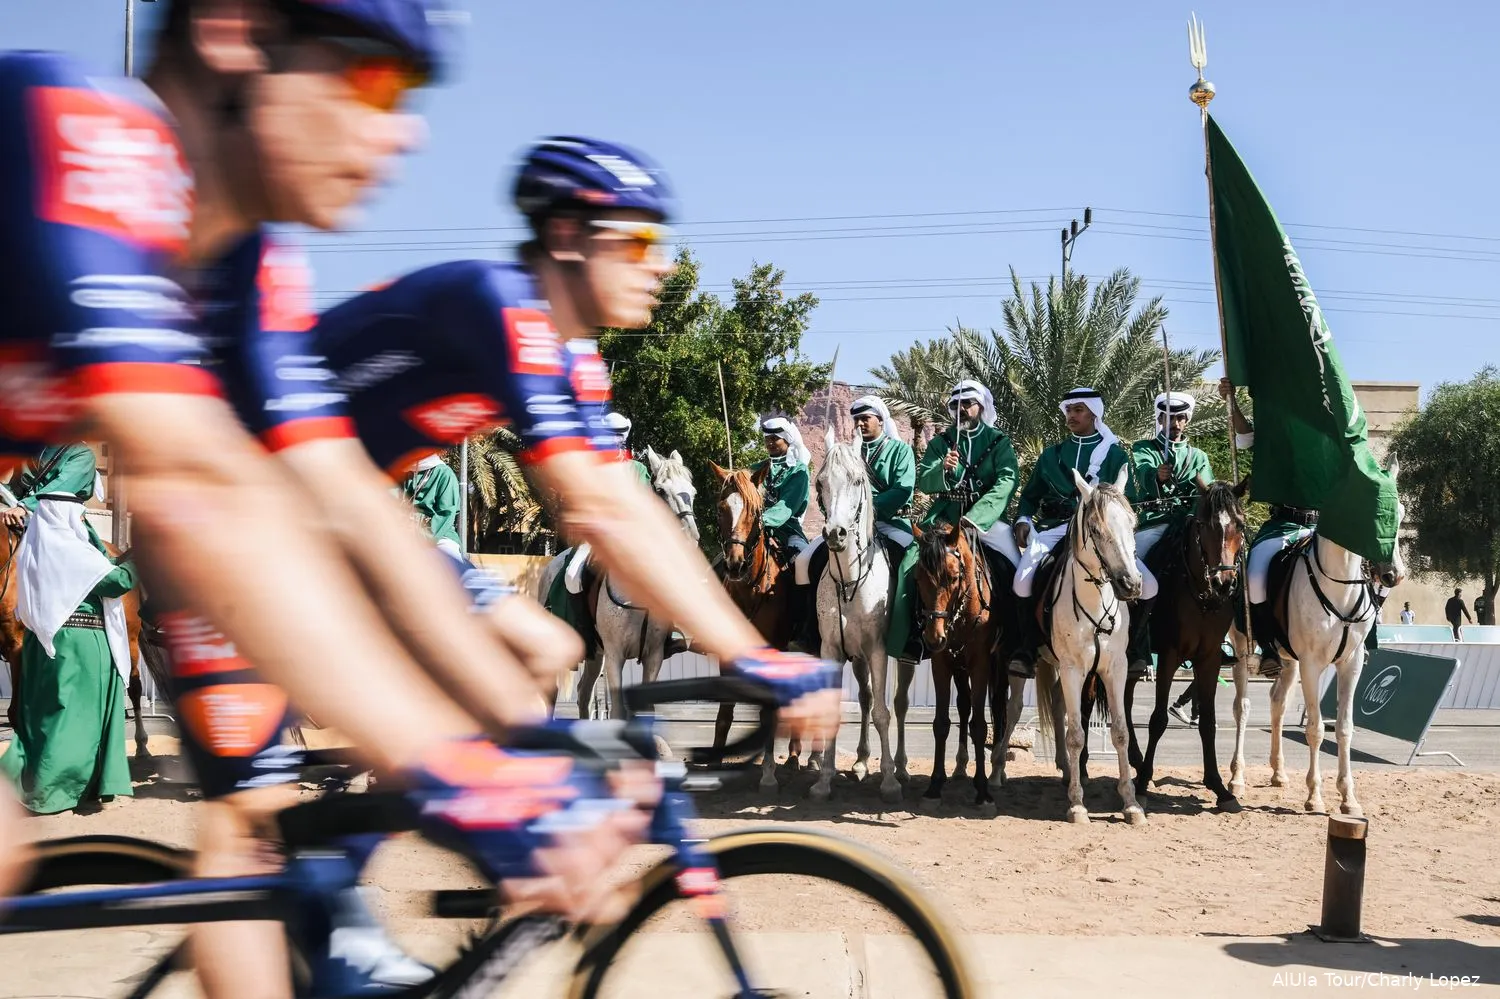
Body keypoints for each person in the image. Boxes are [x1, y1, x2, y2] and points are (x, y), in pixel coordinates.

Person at [0, 8, 833, 997]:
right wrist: (455, 772)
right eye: (375, 83)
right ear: (234, 33)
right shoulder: (77, 131)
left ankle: (340, 879)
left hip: (292, 527)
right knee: (227, 827)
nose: (408, 130)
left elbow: (349, 495)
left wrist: (476, 768)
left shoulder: (249, 269)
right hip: (236, 531)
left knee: (539, 655)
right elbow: (195, 482)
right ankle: (328, 886)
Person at [1, 451, 137, 814]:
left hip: (39, 643)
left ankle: (20, 781)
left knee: (40, 722)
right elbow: (117, 582)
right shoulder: (68, 546)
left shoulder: (36, 547)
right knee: (74, 724)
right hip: (80, 643)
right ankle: (50, 794)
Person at [1008, 388, 1133, 678]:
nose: (1071, 416)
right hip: (1054, 528)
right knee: (1021, 582)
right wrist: (1024, 519)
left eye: (1078, 410)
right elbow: (1030, 495)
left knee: (1144, 582)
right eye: (1069, 410)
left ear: (1094, 413)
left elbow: (1128, 498)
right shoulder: (1051, 456)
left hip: (1099, 532)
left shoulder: (1114, 455)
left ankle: (1134, 647)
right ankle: (1028, 650)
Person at [889, 381, 1017, 661]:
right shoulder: (940, 443)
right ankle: (912, 637)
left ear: (981, 407)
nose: (960, 410)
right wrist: (943, 470)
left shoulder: (999, 441)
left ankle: (1018, 640)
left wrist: (977, 517)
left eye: (967, 404)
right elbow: (925, 480)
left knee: (1017, 569)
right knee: (911, 562)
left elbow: (1007, 480)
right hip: (945, 517)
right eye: (954, 405)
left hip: (987, 519)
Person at [793, 395, 918, 655]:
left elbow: (902, 492)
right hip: (849, 527)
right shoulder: (847, 453)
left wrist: (869, 510)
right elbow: (831, 490)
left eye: (866, 418)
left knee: (911, 565)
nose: (860, 423)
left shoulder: (900, 450)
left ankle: (913, 630)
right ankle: (808, 631)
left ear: (881, 421)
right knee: (805, 561)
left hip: (891, 524)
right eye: (857, 419)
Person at [1224, 378, 1319, 676]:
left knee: (1363, 569)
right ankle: (1267, 646)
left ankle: (1363, 641)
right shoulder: (1271, 435)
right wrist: (1231, 400)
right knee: (1254, 575)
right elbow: (1245, 434)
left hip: (1322, 525)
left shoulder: (1325, 436)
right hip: (1283, 524)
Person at [1124, 391, 1215, 678]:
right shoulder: (1143, 448)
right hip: (1155, 525)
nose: (1174, 422)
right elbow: (1140, 475)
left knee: (1220, 566)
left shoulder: (1199, 456)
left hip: (1187, 523)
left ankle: (1220, 638)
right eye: (1169, 417)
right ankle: (1135, 647)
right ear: (1160, 419)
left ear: (1187, 421)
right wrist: (1156, 476)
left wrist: (1205, 489)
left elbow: (1206, 489)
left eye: (1180, 418)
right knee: (1137, 573)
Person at [1, 442, 101, 527]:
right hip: (20, 511)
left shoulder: (83, 454)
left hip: (60, 518)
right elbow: (17, 487)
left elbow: (61, 488)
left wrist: (25, 507)